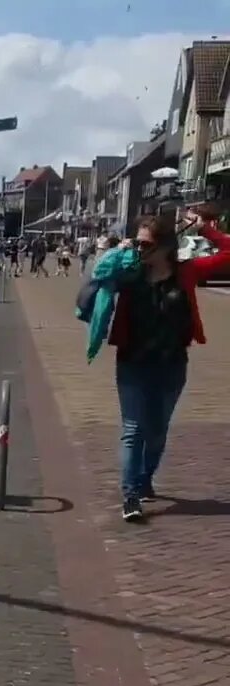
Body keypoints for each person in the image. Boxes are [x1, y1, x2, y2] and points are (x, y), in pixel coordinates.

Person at [108, 208, 230, 521]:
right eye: (137, 244)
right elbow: (98, 278)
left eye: (146, 245)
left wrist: (207, 230)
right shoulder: (129, 272)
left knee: (158, 430)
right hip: (132, 363)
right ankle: (131, 495)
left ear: (165, 247)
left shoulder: (185, 272)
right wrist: (114, 252)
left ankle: (146, 477)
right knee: (133, 429)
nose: (140, 250)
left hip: (171, 364)